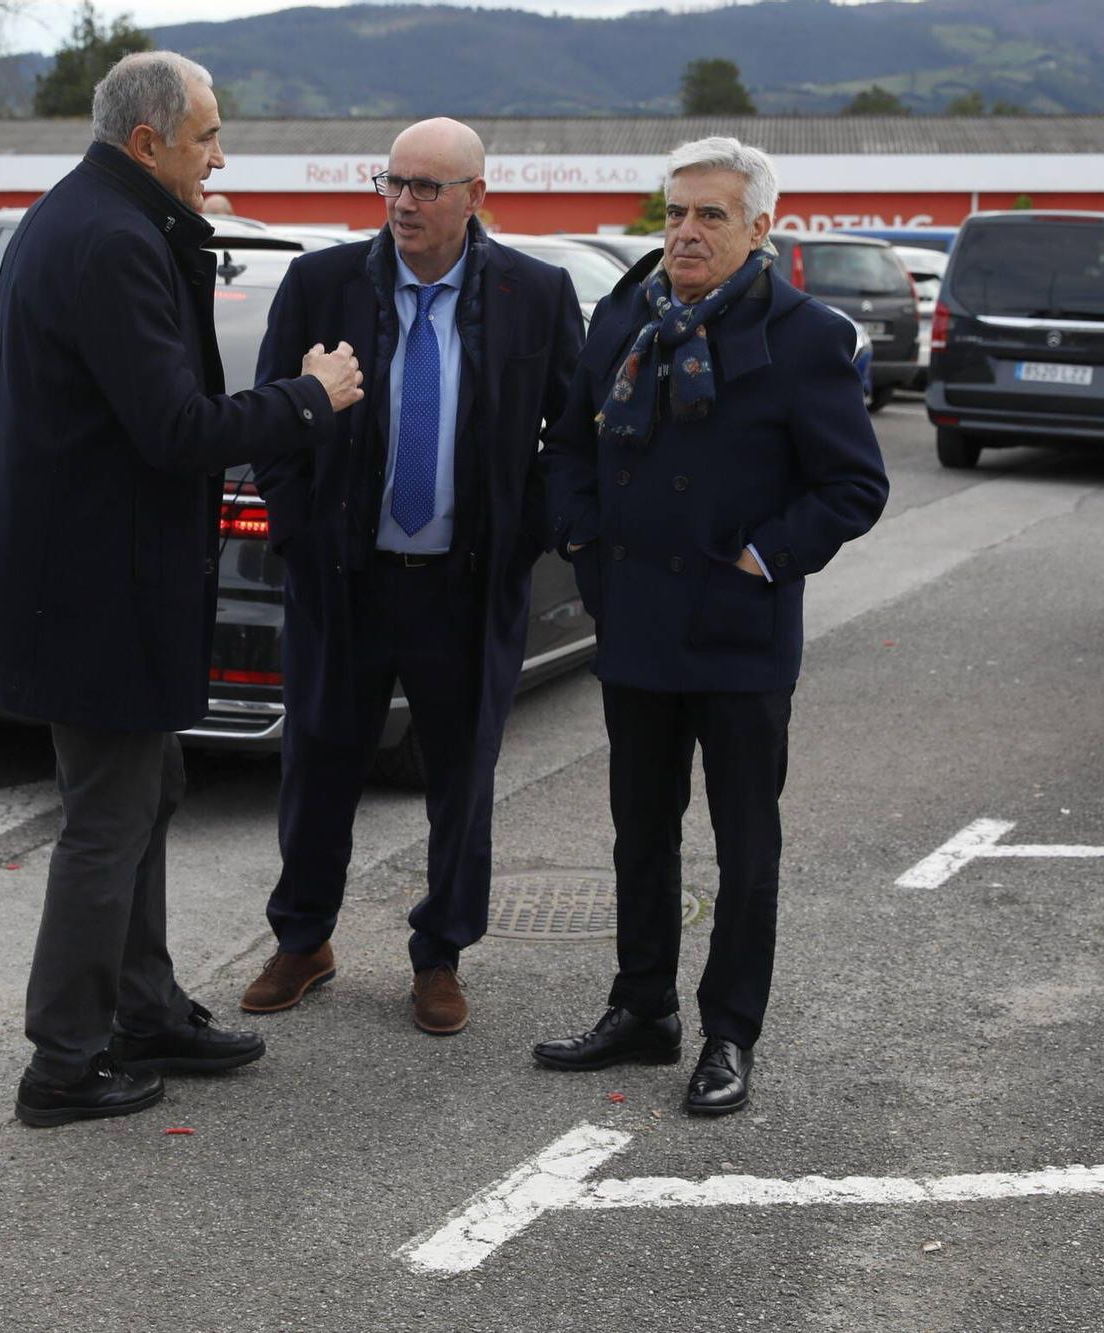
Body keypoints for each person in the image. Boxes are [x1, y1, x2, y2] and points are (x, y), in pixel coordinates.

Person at [0, 52, 364, 1127]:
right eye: (208, 136)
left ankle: (141, 1008)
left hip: (94, 585)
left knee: (149, 793)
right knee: (108, 816)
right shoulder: (110, 239)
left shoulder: (96, 217)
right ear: (149, 143)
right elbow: (175, 429)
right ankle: (63, 1061)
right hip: (94, 594)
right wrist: (307, 396)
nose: (220, 156)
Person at [532, 138, 888, 1114]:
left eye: (709, 216)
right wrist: (583, 539)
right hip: (637, 622)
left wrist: (761, 554)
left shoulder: (804, 336)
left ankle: (728, 1032)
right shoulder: (624, 319)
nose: (684, 232)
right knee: (638, 835)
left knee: (744, 848)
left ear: (758, 229)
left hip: (738, 636)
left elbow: (853, 485)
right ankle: (640, 1010)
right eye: (674, 213)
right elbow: (567, 444)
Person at [238, 118, 583, 1035]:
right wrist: (302, 531)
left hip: (465, 588)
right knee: (317, 766)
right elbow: (273, 418)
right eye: (393, 183)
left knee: (462, 781)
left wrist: (526, 538)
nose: (404, 203)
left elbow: (572, 434)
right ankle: (303, 938)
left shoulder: (535, 295)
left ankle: (440, 955)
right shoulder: (321, 284)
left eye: (428, 187)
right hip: (343, 582)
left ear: (478, 196)